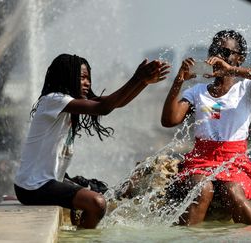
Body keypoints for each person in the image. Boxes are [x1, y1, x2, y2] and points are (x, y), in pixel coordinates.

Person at [14, 54, 170, 229]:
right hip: (33, 187)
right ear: (67, 77)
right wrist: (137, 77)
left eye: (89, 78)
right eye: (82, 78)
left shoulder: (68, 104)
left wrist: (143, 83)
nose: (87, 83)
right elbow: (103, 108)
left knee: (105, 192)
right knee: (97, 203)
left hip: (50, 181)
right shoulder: (54, 100)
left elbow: (116, 103)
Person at [161, 30, 251, 226]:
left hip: (234, 161)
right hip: (201, 160)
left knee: (232, 190)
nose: (217, 57)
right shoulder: (197, 92)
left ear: (239, 59)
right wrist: (179, 80)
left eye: (225, 53)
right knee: (202, 189)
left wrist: (230, 70)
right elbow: (169, 120)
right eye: (214, 51)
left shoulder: (247, 89)